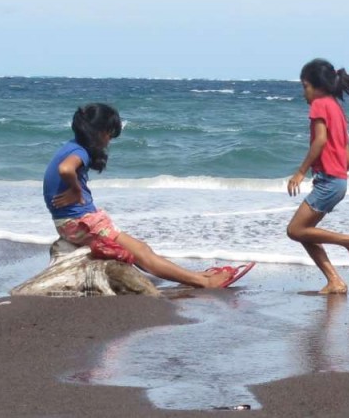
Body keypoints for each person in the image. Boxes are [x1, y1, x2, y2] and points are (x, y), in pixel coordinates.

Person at [44, 103, 254, 289]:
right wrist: (75, 190)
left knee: (140, 250)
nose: (109, 140)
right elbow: (65, 169)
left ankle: (194, 276)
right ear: (99, 132)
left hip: (70, 222)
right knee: (141, 252)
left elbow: (63, 168)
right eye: (110, 134)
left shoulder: (71, 146)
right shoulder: (82, 152)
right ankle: (204, 282)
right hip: (82, 222)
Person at [285, 59, 349, 294]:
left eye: (305, 86)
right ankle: (335, 281)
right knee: (306, 233)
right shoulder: (336, 107)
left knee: (294, 230)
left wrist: (300, 172)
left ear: (317, 86)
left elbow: (320, 141)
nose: (304, 93)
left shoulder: (319, 105)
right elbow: (348, 158)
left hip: (328, 181)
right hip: (338, 181)